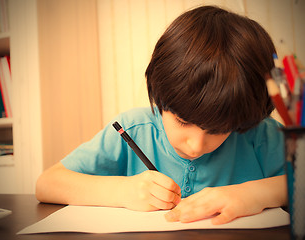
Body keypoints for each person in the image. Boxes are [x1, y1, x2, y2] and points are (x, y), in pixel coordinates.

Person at [36, 5, 287, 225]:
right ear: (160, 97)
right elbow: (47, 184)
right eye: (183, 121)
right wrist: (123, 191)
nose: (196, 144)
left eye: (218, 129)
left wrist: (255, 194)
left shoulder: (258, 134)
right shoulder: (134, 128)